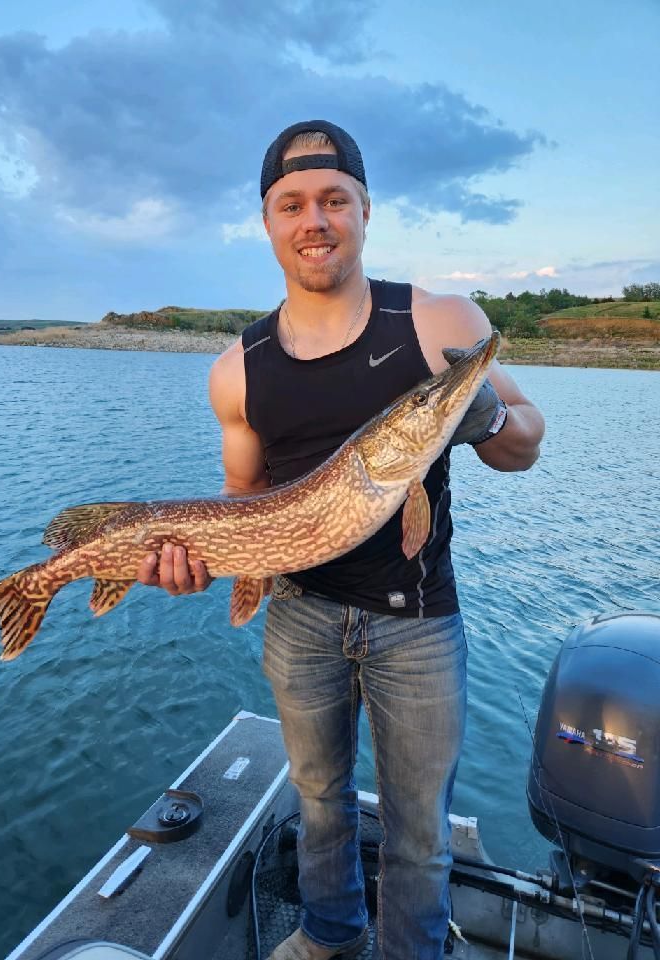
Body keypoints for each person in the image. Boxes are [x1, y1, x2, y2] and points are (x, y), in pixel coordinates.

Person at [137, 120, 545, 960]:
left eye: (334, 200)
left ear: (365, 210)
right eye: (293, 204)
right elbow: (242, 499)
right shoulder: (237, 367)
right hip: (299, 615)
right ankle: (328, 934)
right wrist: (200, 561)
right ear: (268, 221)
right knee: (320, 798)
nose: (313, 219)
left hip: (418, 621)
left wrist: (488, 415)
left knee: (418, 828)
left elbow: (529, 441)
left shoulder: (437, 322)